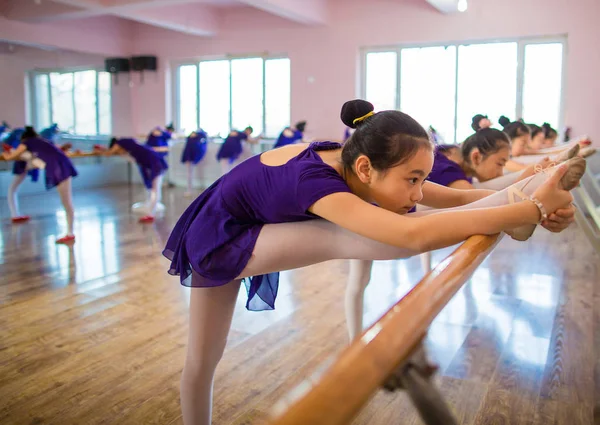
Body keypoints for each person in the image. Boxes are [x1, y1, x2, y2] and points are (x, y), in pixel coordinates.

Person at [162, 99, 582, 425]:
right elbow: (408, 236)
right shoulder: (320, 183)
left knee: (202, 360)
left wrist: (527, 194)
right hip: (217, 239)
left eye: (422, 179)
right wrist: (526, 211)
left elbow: (454, 197)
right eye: (413, 180)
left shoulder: (358, 163)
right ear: (365, 168)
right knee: (360, 235)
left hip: (235, 223)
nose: (419, 191)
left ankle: (522, 203)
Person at [344, 128, 582, 341]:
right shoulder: (447, 167)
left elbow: (473, 197)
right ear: (476, 157)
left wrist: (534, 200)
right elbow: (477, 197)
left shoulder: (449, 169)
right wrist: (533, 203)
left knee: (360, 280)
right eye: (500, 162)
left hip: (393, 211)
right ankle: (354, 342)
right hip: (374, 215)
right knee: (359, 280)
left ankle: (354, 341)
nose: (503, 167)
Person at [1, 126, 78, 243]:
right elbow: (37, 160)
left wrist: (7, 155)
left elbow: (12, 156)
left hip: (58, 167)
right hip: (60, 164)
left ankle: (70, 233)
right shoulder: (41, 142)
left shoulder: (27, 143)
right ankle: (70, 232)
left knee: (66, 202)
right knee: (67, 201)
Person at [105, 137, 169, 223]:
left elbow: (111, 152)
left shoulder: (122, 142)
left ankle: (151, 214)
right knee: (154, 189)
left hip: (156, 164)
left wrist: (102, 151)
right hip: (155, 163)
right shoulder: (132, 147)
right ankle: (151, 210)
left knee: (155, 190)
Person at [181, 129, 209, 197]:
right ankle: (189, 190)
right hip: (189, 157)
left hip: (194, 157)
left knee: (190, 174)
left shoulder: (198, 139)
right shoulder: (190, 140)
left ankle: (190, 190)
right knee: (189, 174)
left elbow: (204, 138)